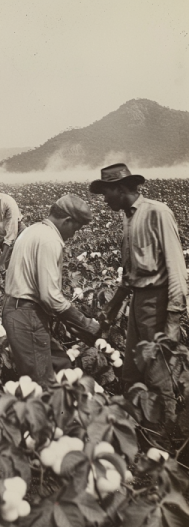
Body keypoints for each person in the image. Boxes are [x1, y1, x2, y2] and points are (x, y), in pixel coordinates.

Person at [90, 163, 187, 422]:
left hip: (158, 302)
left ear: (120, 189)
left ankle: (165, 435)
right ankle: (139, 429)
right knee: (132, 371)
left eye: (106, 193)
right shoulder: (128, 216)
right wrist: (113, 306)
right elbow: (130, 273)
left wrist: (173, 321)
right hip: (138, 303)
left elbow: (177, 269)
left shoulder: (157, 212)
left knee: (157, 374)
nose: (104, 199)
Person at [2, 195, 100, 385]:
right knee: (43, 383)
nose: (74, 235)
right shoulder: (50, 240)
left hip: (17, 309)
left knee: (61, 365)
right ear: (67, 221)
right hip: (26, 314)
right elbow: (50, 297)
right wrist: (85, 324)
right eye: (76, 228)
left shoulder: (32, 230)